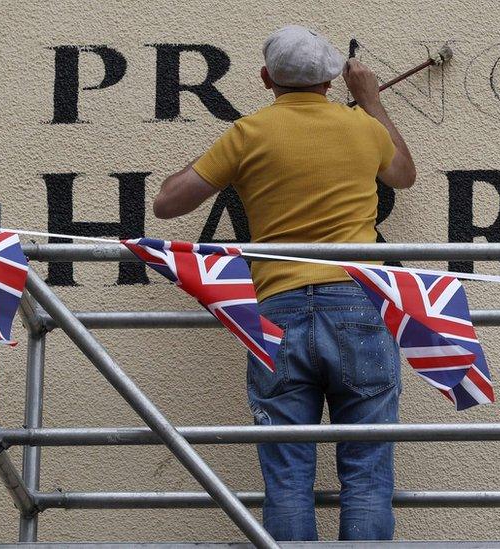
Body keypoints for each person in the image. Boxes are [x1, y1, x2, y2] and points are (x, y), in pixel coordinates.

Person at [150, 25, 416, 541]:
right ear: (331, 79)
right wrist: (370, 102)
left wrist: (214, 163)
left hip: (278, 309)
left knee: (288, 479)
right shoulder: (363, 128)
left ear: (266, 78)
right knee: (367, 474)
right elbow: (403, 175)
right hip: (359, 302)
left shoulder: (248, 134)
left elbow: (166, 203)